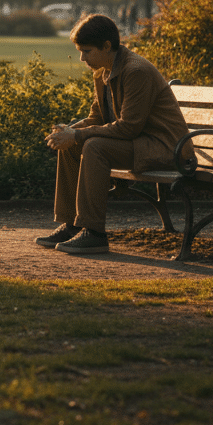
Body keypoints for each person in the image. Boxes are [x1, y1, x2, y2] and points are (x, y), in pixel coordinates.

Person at [38, 14, 193, 254]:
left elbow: (129, 127)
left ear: (107, 46)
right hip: (138, 144)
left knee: (93, 146)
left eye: (87, 51)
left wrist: (78, 136)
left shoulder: (136, 71)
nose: (82, 58)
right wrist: (69, 132)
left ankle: (95, 232)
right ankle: (72, 224)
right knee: (74, 144)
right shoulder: (103, 72)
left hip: (165, 147)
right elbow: (97, 119)